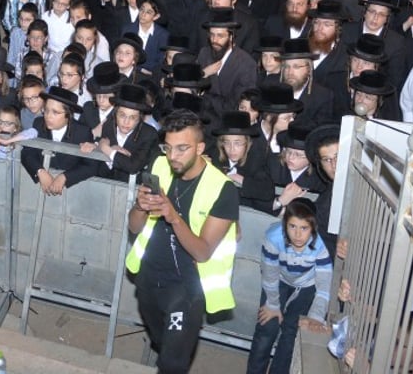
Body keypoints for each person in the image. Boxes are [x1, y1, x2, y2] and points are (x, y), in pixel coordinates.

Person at [127, 108, 239, 374]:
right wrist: (140, 207)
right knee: (162, 343)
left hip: (187, 287)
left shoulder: (222, 189)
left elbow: (202, 253)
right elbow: (133, 227)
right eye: (168, 148)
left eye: (182, 149)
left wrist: (173, 216)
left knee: (172, 363)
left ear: (200, 147)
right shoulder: (158, 165)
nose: (173, 157)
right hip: (148, 278)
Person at [246, 199, 332, 374]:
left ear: (313, 227)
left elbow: (324, 286)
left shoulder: (321, 246)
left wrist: (315, 316)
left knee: (291, 333)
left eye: (304, 228)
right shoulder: (274, 237)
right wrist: (273, 305)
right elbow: (269, 274)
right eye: (292, 226)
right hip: (278, 280)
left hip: (307, 285)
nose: (298, 235)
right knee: (267, 326)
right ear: (285, 224)